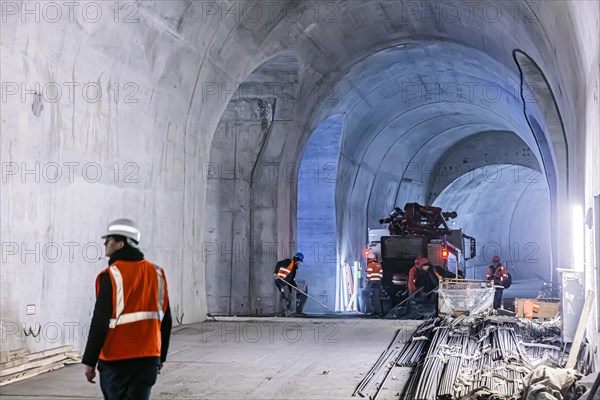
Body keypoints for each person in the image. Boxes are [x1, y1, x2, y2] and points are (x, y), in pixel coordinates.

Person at [82, 218, 172, 400]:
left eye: (109, 240)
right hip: (148, 359)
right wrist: (160, 357)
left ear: (121, 244)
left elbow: (99, 321)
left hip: (116, 361)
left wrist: (90, 361)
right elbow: (166, 320)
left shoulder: (111, 276)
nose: (105, 243)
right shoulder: (157, 273)